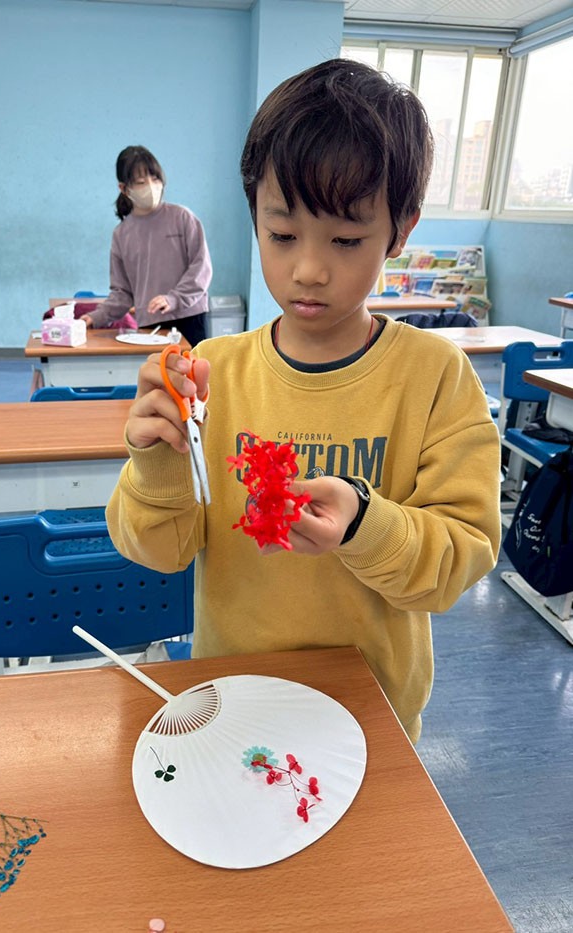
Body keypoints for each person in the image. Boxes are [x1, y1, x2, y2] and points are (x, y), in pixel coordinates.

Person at [105, 60, 501, 743]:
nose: (309, 269)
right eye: (282, 235)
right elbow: (157, 551)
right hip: (232, 704)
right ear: (255, 216)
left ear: (400, 230)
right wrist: (156, 460)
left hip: (374, 716)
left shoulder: (436, 377)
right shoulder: (213, 373)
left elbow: (458, 559)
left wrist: (363, 524)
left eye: (346, 240)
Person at [82, 145, 212, 347]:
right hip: (150, 323)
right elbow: (122, 293)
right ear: (124, 189)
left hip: (190, 317)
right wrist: (95, 317)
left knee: (193, 367)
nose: (151, 186)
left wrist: (173, 299)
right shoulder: (121, 234)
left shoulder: (183, 218)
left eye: (155, 179)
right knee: (156, 369)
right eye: (141, 182)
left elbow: (201, 269)